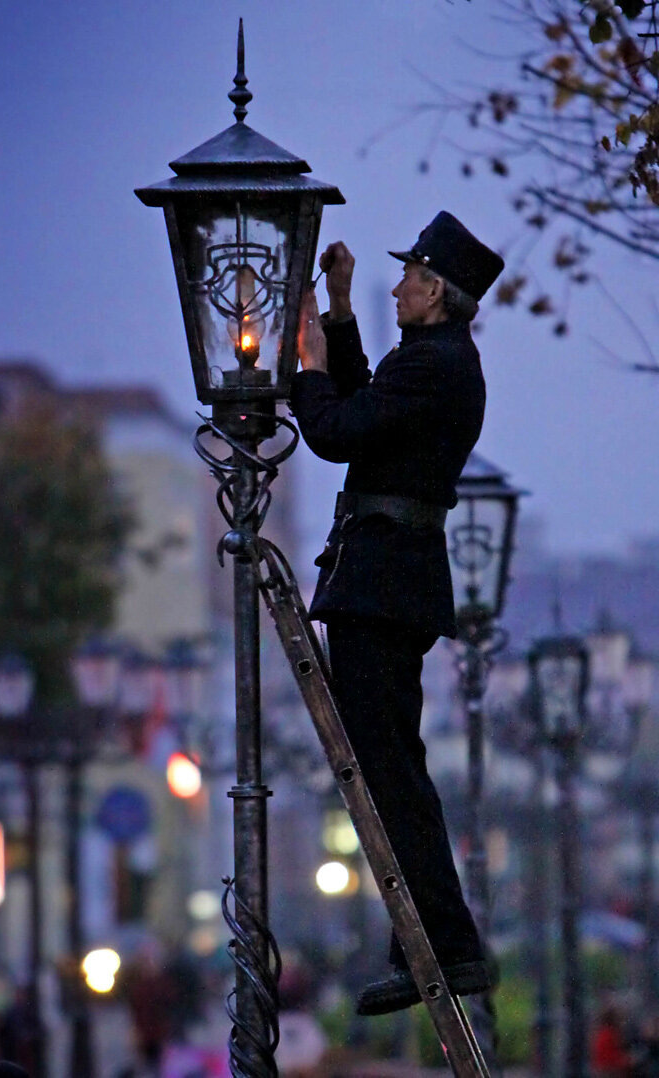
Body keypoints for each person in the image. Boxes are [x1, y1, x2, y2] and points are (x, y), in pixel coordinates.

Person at [291, 210, 504, 1016]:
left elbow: (336, 429)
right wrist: (340, 312)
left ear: (437, 291)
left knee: (389, 775)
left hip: (382, 588)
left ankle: (443, 946)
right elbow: (367, 410)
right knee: (389, 770)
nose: (399, 288)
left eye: (410, 276)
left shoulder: (435, 364)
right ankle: (427, 946)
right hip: (387, 586)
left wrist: (308, 362)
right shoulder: (433, 361)